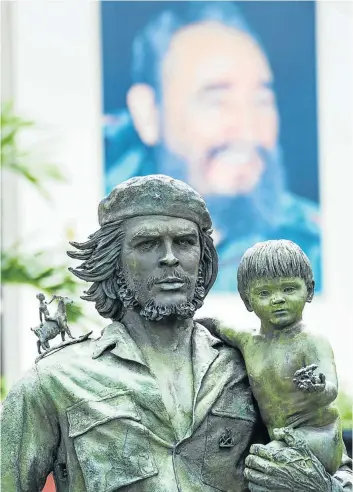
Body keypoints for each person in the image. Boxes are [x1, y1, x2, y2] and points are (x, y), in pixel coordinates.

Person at [1, 176, 350, 492]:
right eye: (148, 244)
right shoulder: (55, 381)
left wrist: (320, 487)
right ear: (115, 260)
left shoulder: (249, 366)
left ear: (202, 258)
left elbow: (335, 466)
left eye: (184, 242)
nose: (170, 258)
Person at [103, 1, 322, 292]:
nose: (247, 128)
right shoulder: (96, 228)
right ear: (149, 115)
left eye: (261, 100)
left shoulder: (315, 242)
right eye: (216, 101)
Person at [202, 240, 343, 474]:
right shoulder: (249, 341)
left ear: (309, 290)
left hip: (319, 437)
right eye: (264, 293)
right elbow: (217, 325)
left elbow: (331, 389)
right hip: (279, 437)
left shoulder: (311, 341)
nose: (278, 299)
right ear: (247, 301)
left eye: (289, 289)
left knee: (263, 464)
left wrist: (318, 387)